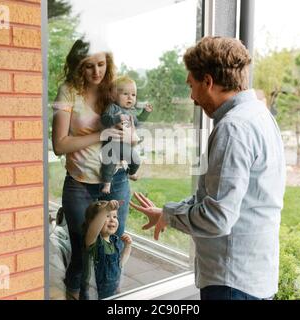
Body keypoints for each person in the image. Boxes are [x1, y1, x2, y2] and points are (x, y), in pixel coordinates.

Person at [130, 36, 286, 300]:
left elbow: (217, 218)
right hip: (252, 277)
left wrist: (170, 214)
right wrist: (167, 213)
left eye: (191, 86)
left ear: (208, 82)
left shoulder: (233, 128)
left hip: (231, 283)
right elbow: (218, 196)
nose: (192, 97)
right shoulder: (260, 116)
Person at [51, 39, 137, 300]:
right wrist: (103, 133)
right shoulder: (67, 92)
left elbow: (132, 128)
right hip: (79, 185)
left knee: (108, 251)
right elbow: (59, 145)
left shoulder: (114, 90)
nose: (96, 72)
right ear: (78, 67)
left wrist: (130, 136)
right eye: (89, 66)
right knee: (82, 254)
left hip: (116, 180)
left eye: (101, 64)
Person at [100, 76, 153, 194]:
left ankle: (131, 173)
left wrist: (145, 113)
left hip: (126, 145)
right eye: (125, 94)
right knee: (109, 163)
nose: (130, 97)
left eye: (133, 95)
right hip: (112, 144)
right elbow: (104, 120)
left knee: (136, 161)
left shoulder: (131, 111)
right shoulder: (112, 108)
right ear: (114, 96)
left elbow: (138, 122)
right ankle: (107, 183)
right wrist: (118, 117)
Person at [81, 200, 132, 299]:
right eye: (107, 216)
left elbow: (120, 264)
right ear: (92, 222)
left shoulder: (114, 241)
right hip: (94, 293)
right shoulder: (93, 242)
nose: (112, 220)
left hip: (113, 289)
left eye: (114, 216)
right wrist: (106, 209)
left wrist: (128, 246)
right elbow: (94, 230)